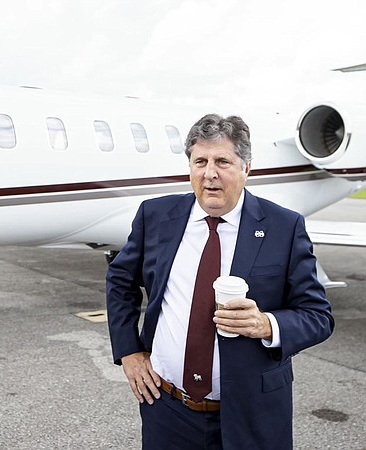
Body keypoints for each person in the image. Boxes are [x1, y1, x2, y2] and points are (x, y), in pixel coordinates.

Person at [106, 113, 334, 450]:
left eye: (223, 161)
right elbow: (120, 280)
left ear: (246, 168)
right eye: (200, 161)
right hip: (167, 408)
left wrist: (266, 324)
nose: (209, 173)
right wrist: (129, 352)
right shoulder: (156, 217)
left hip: (252, 413)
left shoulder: (283, 227)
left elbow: (318, 316)